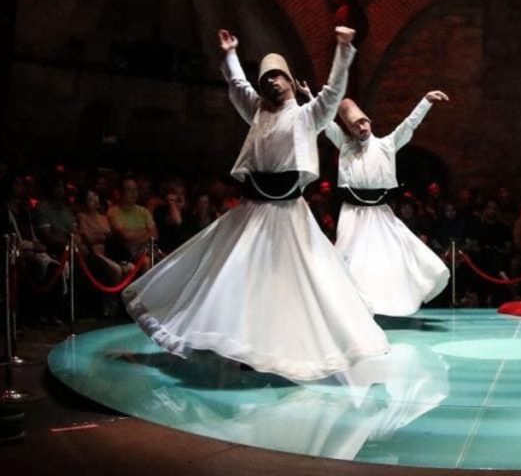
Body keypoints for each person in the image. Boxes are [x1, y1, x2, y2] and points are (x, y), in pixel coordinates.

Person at [122, 26, 388, 382]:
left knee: (299, 283)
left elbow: (334, 91)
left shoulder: (308, 115)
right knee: (237, 277)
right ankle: (240, 347)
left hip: (288, 214)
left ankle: (295, 347)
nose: (272, 83)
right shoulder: (258, 112)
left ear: (291, 82)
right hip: (254, 210)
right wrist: (231, 54)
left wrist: (343, 49)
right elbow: (238, 87)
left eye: (278, 76)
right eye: (266, 79)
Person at [325, 92, 451, 316]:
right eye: (355, 125)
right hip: (352, 213)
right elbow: (324, 121)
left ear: (369, 122)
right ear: (350, 130)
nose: (361, 127)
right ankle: (354, 309)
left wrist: (426, 101)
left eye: (363, 122)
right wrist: (311, 98)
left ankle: (383, 303)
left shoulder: (386, 145)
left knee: (393, 254)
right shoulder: (345, 147)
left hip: (378, 212)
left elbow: (409, 125)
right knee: (348, 258)